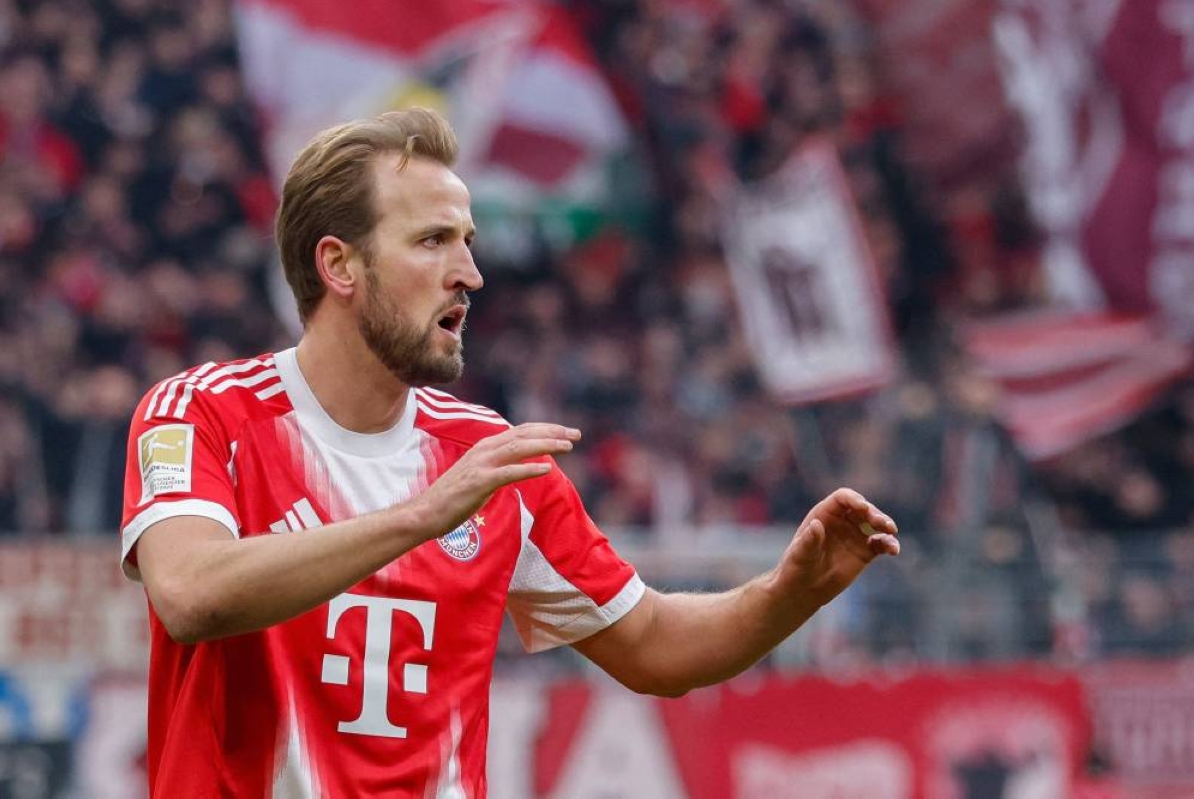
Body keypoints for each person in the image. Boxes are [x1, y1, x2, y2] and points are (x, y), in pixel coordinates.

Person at [120, 108, 901, 797]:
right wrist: (419, 516)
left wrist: (790, 593)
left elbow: (654, 646)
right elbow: (191, 594)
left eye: (468, 242)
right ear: (339, 265)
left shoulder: (489, 460)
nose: (470, 274)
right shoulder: (202, 413)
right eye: (433, 241)